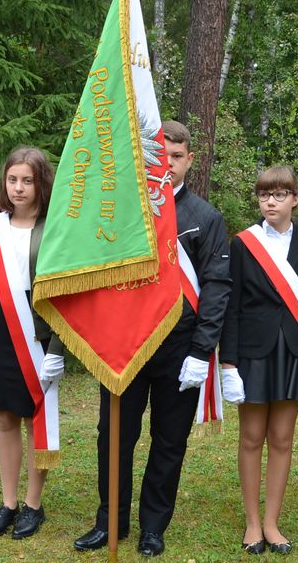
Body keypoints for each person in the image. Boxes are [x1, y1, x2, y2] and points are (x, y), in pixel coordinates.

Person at [73, 120, 231, 558]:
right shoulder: (122, 211)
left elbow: (217, 287)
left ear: (189, 160)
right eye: (160, 156)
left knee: (169, 439)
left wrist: (201, 350)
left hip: (180, 348)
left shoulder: (206, 218)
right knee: (114, 434)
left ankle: (153, 527)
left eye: (177, 156)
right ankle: (111, 520)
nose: (169, 164)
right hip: (126, 343)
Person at [219, 165, 298, 556]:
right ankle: (252, 522)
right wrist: (228, 364)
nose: (271, 202)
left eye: (280, 194)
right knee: (251, 438)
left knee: (282, 439)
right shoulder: (243, 244)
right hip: (253, 353)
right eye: (264, 194)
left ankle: (271, 522)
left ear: (295, 199)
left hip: (295, 352)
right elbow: (231, 306)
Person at [0, 146, 63, 539]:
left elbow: (65, 295)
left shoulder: (55, 228)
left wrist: (57, 349)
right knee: (5, 417)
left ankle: (34, 504)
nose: (18, 188)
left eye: (27, 181)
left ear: (41, 184)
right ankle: (8, 503)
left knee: (36, 418)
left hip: (37, 335)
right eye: (13, 179)